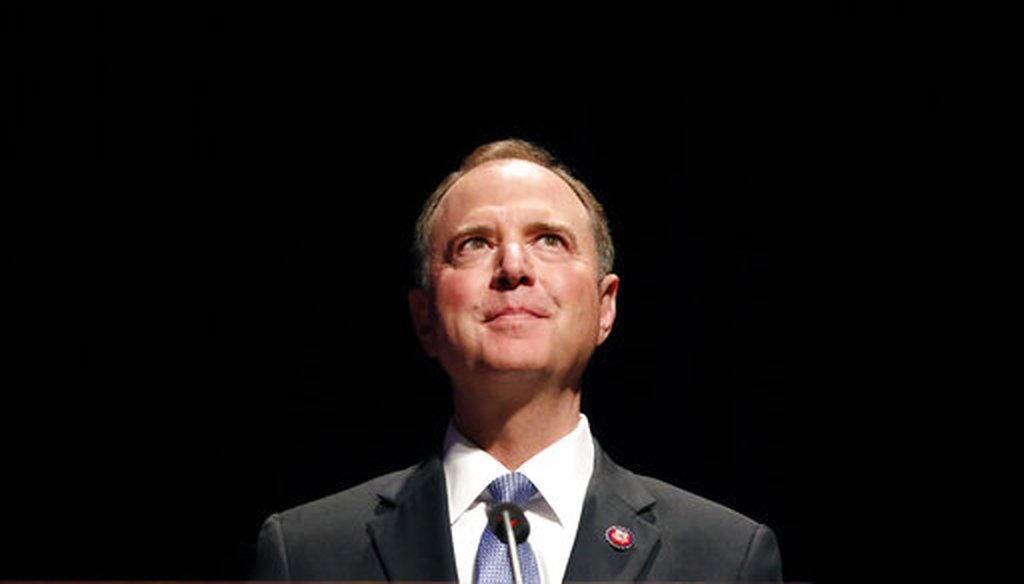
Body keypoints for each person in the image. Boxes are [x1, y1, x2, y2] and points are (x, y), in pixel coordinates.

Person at [252, 139, 782, 582]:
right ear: (425, 320)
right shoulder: (307, 554)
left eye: (549, 240)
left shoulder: (724, 558)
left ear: (605, 307)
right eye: (474, 244)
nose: (512, 266)